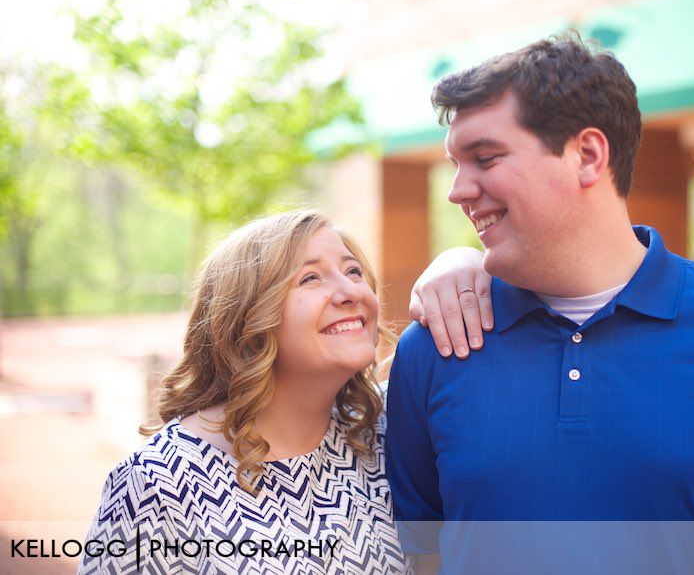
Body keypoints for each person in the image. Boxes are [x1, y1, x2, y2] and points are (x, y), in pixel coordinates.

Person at [388, 33, 694, 574]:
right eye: (456, 164)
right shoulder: (434, 349)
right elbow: (424, 558)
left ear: (588, 155)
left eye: (484, 158)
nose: (457, 190)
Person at [80, 210, 483, 574]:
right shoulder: (157, 482)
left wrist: (463, 259)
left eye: (354, 271)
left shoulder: (388, 437)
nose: (351, 292)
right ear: (247, 317)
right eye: (310, 277)